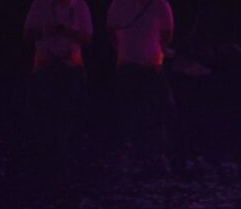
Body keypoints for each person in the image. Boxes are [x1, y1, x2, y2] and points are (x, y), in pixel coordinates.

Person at [107, 0, 175, 169]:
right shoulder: (119, 4)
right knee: (127, 109)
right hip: (129, 64)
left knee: (155, 109)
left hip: (151, 65)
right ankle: (129, 151)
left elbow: (167, 34)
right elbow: (111, 31)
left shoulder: (160, 5)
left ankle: (155, 153)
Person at [23, 0, 93, 163]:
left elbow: (87, 37)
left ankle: (65, 151)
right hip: (45, 65)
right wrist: (47, 31)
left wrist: (68, 32)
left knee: (70, 110)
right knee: (44, 111)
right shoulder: (40, 5)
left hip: (71, 66)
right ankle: (46, 151)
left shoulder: (80, 6)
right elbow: (27, 33)